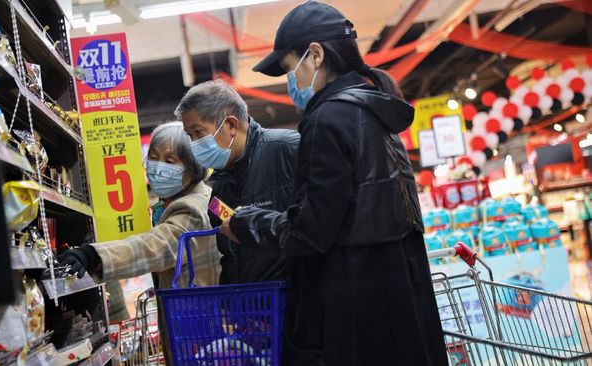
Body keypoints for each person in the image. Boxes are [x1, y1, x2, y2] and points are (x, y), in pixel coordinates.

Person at [221, 2, 448, 365]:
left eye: (287, 67)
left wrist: (248, 224)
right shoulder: (375, 110)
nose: (289, 80)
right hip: (400, 305)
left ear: (314, 54)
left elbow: (309, 231)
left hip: (355, 312)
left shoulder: (328, 119)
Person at [58, 121, 220, 289]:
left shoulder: (193, 208)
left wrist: (92, 255)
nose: (158, 168)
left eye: (170, 161)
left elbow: (154, 247)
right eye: (154, 158)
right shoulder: (197, 197)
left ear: (192, 168)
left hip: (197, 311)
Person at [175, 80, 299, 284]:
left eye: (198, 132)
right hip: (253, 308)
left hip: (298, 301)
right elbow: (229, 256)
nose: (194, 144)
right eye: (190, 136)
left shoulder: (290, 150)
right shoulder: (219, 188)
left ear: (231, 125)